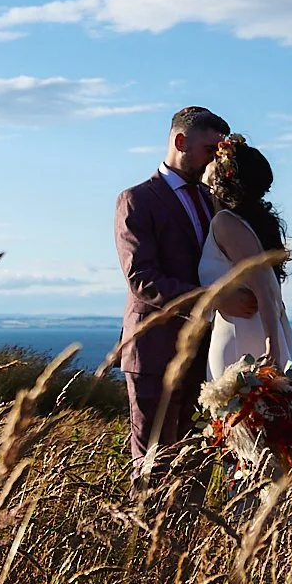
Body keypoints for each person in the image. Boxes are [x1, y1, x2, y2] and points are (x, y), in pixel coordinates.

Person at [113, 106, 252, 484]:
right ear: (180, 142)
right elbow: (142, 278)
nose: (216, 159)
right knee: (152, 460)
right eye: (211, 150)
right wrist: (214, 299)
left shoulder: (215, 201)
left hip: (205, 352)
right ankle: (142, 539)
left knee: (197, 457)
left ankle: (186, 538)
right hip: (153, 347)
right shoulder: (137, 199)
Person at [199, 134, 292, 377]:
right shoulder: (245, 222)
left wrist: (271, 345)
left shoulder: (226, 223)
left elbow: (263, 286)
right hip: (244, 327)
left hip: (242, 332)